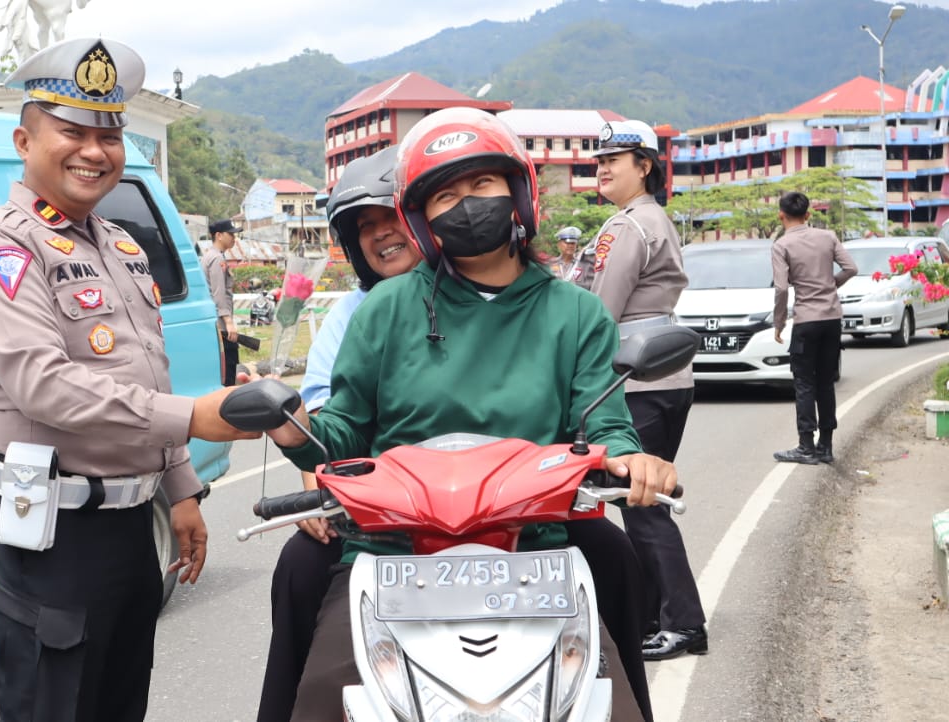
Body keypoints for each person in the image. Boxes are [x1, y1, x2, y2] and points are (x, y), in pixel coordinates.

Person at [266, 107, 678, 722]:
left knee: (615, 606)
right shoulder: (386, 310)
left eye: (482, 184)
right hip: (393, 548)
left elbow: (605, 422)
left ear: (518, 192)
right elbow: (345, 427)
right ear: (422, 218)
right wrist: (293, 425)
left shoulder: (577, 314)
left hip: (534, 539)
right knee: (322, 683)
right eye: (445, 195)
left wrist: (627, 458)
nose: (467, 204)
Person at [0, 37, 255, 722]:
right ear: (25, 140)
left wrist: (180, 488)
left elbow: (148, 371)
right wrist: (195, 419)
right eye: (73, 132)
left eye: (108, 135)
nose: (94, 150)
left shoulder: (118, 245)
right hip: (52, 533)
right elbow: (42, 386)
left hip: (127, 528)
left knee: (119, 702)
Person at [257, 146, 421, 722]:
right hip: (380, 511)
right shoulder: (355, 313)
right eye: (365, 228)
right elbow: (329, 420)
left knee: (611, 556)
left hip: (501, 511)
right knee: (301, 566)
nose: (381, 236)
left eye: (391, 217)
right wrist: (318, 485)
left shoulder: (496, 294)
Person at [587, 119, 707, 662]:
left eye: (618, 158)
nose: (604, 167)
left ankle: (683, 623)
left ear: (646, 166)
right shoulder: (651, 218)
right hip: (663, 376)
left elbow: (598, 312)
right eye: (600, 160)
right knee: (643, 500)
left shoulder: (627, 227)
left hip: (635, 380)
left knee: (643, 505)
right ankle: (655, 617)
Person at [771, 191, 857, 464]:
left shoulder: (781, 246)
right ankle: (826, 446)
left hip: (807, 320)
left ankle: (806, 446)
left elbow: (782, 287)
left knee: (805, 383)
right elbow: (851, 268)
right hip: (832, 319)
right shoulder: (828, 236)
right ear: (808, 215)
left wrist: (779, 321)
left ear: (781, 215)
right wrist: (831, 285)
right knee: (825, 383)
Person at [204, 218, 241, 385]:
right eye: (231, 234)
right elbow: (218, 293)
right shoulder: (217, 259)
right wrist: (229, 322)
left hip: (216, 321)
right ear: (218, 235)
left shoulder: (210, 256)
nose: (234, 238)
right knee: (229, 368)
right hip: (221, 323)